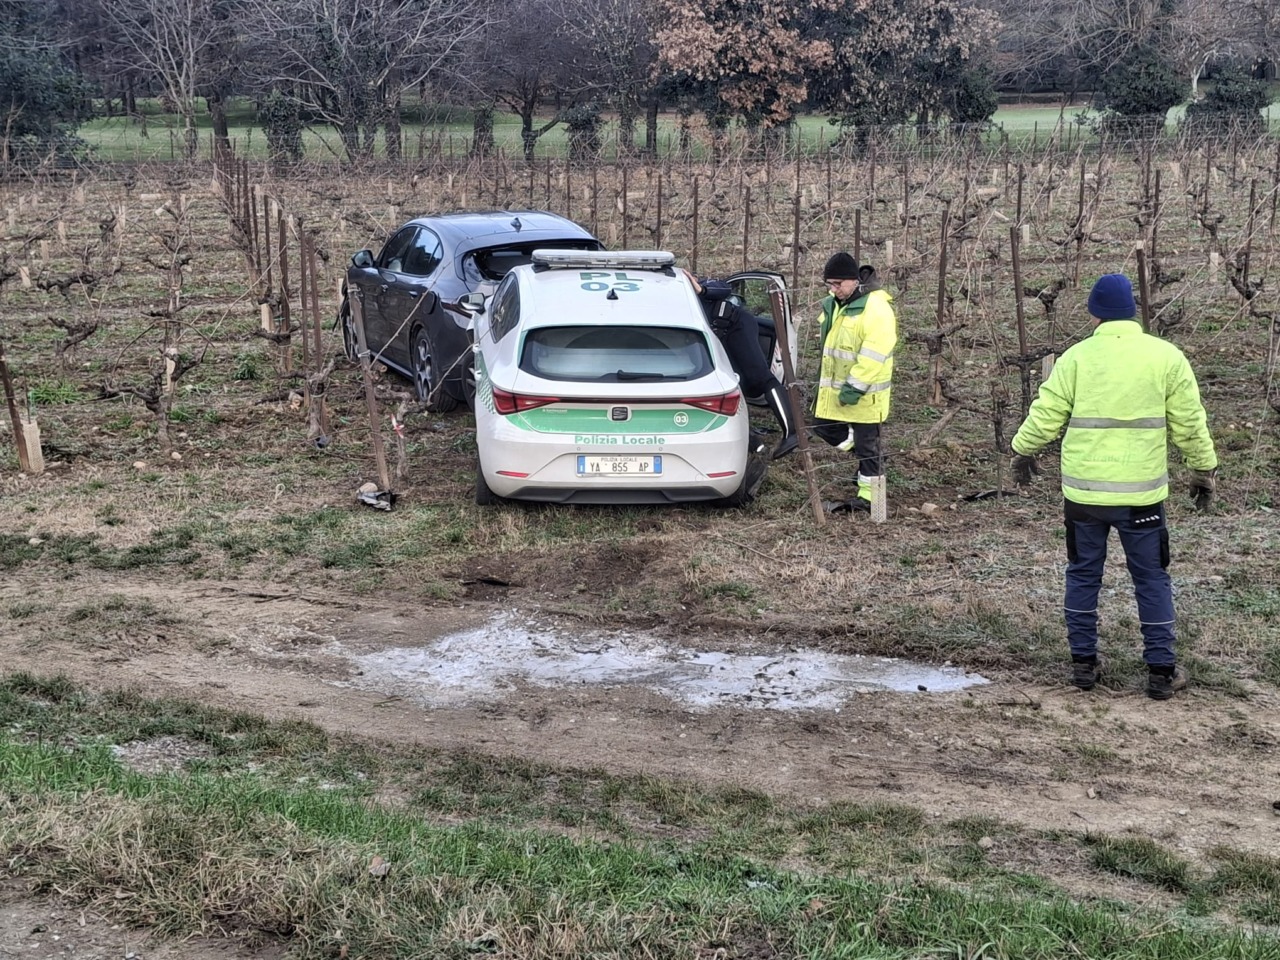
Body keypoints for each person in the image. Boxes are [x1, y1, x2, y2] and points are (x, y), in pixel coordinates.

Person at [1010, 273, 1218, 701]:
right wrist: (1203, 470)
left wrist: (1022, 450)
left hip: (1084, 497)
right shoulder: (1166, 357)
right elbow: (1189, 422)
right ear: (1133, 312)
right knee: (1151, 579)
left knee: (1083, 575)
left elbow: (1047, 413)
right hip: (1142, 497)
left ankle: (1083, 665)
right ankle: (1161, 672)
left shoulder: (1076, 357)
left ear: (1094, 313)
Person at [811, 251, 897, 513]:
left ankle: (877, 506)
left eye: (838, 284)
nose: (834, 289)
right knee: (824, 427)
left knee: (869, 448)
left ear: (854, 280)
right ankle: (868, 464)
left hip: (865, 394)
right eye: (830, 284)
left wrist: (854, 387)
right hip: (837, 391)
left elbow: (874, 354)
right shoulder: (837, 303)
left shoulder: (877, 309)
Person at [683, 269, 798, 459]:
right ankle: (754, 444)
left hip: (738, 326)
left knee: (761, 377)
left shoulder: (702, 285)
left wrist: (700, 289)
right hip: (721, 338)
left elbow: (724, 287)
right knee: (731, 384)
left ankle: (792, 432)